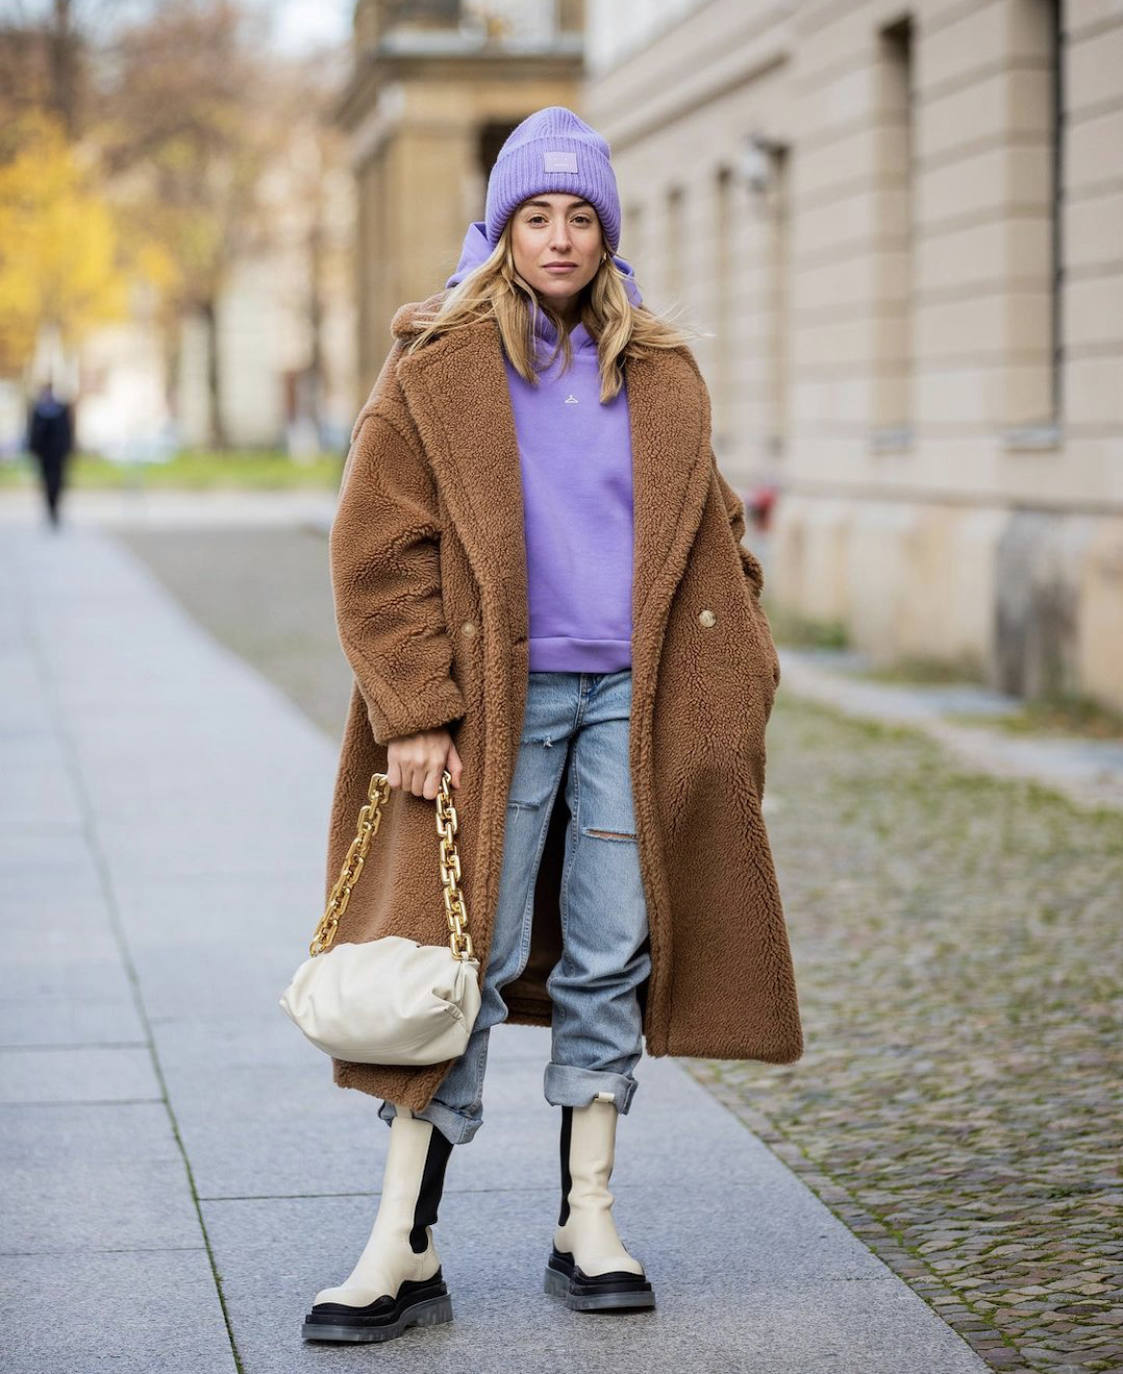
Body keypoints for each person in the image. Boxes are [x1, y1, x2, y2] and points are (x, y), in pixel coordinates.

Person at [303, 106, 802, 1344]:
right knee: (452, 961)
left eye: (584, 216)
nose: (564, 237)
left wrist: (736, 686)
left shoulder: (661, 369)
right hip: (494, 710)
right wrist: (414, 708)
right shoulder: (437, 360)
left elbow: (715, 539)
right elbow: (376, 549)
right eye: (541, 214)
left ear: (606, 230)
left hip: (632, 707)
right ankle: (401, 1245)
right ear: (506, 227)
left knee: (609, 952)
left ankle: (588, 1220)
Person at [26, 381, 74, 529]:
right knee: (46, 483)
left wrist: (68, 449)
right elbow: (33, 433)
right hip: (44, 455)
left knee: (58, 483)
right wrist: (33, 449)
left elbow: (68, 432)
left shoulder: (62, 409)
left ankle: (55, 509)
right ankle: (50, 510)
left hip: (58, 454)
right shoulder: (38, 410)